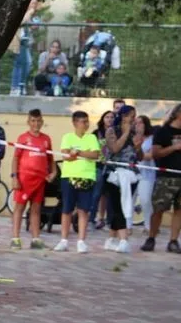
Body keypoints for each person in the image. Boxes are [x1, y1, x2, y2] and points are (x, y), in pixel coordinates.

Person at [141, 103, 181, 255]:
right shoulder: (163, 131)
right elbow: (155, 154)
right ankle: (151, 238)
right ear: (179, 114)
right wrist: (175, 147)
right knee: (158, 209)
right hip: (166, 177)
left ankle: (173, 241)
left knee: (180, 209)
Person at [53, 111, 101, 253]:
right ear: (75, 123)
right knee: (67, 209)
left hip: (86, 177)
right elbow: (67, 155)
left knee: (83, 210)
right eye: (83, 121)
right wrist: (78, 154)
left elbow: (95, 155)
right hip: (69, 177)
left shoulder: (92, 137)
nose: (86, 124)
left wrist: (79, 153)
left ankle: (81, 241)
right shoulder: (67, 137)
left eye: (87, 121)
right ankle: (64, 240)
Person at [9, 109, 56, 250]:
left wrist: (53, 172)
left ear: (42, 122)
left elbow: (51, 158)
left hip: (40, 180)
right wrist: (15, 177)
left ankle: (36, 239)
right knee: (19, 208)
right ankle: (15, 238)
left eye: (38, 121)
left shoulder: (46, 139)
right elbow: (15, 158)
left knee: (36, 209)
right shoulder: (23, 138)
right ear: (28, 122)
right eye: (33, 121)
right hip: (24, 178)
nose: (36, 124)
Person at [102, 105, 142, 253]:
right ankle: (124, 239)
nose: (133, 118)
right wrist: (125, 134)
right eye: (130, 115)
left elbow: (140, 157)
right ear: (123, 116)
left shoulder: (135, 133)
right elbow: (114, 149)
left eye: (134, 115)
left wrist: (139, 147)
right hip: (114, 174)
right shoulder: (112, 131)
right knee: (118, 206)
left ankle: (110, 240)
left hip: (131, 174)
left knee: (123, 204)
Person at [134, 115, 157, 234]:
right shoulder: (132, 137)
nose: (137, 125)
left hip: (147, 173)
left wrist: (139, 149)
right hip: (133, 173)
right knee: (129, 199)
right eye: (136, 123)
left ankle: (149, 225)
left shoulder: (152, 139)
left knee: (145, 200)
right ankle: (127, 225)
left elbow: (149, 156)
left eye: (140, 123)